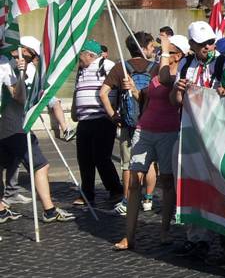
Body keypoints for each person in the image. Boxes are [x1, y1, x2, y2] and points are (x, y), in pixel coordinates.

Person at [113, 34, 189, 251]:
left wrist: (164, 50)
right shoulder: (156, 70)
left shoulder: (178, 74)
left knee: (167, 182)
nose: (161, 54)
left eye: (169, 51)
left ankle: (164, 230)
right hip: (145, 129)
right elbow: (149, 98)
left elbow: (167, 83)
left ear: (179, 55)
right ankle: (129, 236)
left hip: (168, 133)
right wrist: (135, 92)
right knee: (135, 180)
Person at [0, 37, 74, 223]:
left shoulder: (29, 68)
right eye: (33, 55)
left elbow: (36, 95)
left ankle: (1, 209)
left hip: (15, 126)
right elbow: (19, 98)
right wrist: (22, 75)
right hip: (14, 128)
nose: (34, 59)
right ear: (24, 50)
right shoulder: (6, 66)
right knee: (41, 165)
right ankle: (49, 210)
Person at [166, 22, 221, 259]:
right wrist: (178, 90)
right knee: (188, 182)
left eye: (211, 42)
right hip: (189, 132)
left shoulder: (221, 63)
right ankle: (195, 236)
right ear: (191, 45)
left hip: (215, 133)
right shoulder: (186, 65)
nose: (209, 47)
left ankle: (224, 235)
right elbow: (174, 101)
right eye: (203, 44)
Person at [100, 32, 158, 216]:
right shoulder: (155, 68)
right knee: (149, 163)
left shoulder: (120, 68)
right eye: (151, 46)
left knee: (127, 164)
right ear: (144, 48)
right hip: (150, 121)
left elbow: (103, 93)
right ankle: (148, 199)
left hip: (128, 123)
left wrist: (113, 115)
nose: (153, 49)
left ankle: (127, 201)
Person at [72, 39, 122, 207]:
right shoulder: (81, 70)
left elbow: (118, 83)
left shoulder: (106, 64)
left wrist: (114, 110)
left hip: (103, 119)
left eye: (81, 55)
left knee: (101, 157)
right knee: (84, 158)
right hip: (84, 120)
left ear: (90, 54)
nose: (78, 58)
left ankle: (115, 189)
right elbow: (77, 90)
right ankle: (87, 193)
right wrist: (74, 110)